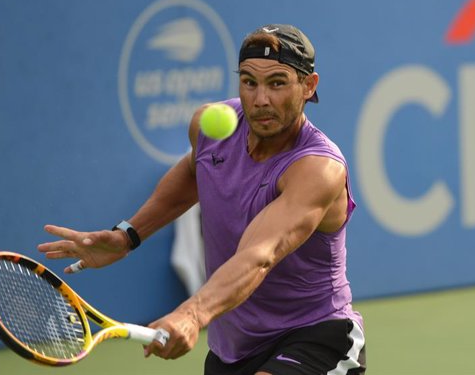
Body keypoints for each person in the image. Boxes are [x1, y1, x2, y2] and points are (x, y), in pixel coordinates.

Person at [38, 23, 366, 375]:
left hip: (316, 335)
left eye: (277, 83)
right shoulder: (211, 128)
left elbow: (260, 256)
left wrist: (192, 313)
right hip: (233, 348)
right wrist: (128, 235)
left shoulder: (318, 168)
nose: (260, 100)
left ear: (308, 86)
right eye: (248, 81)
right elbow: (193, 175)